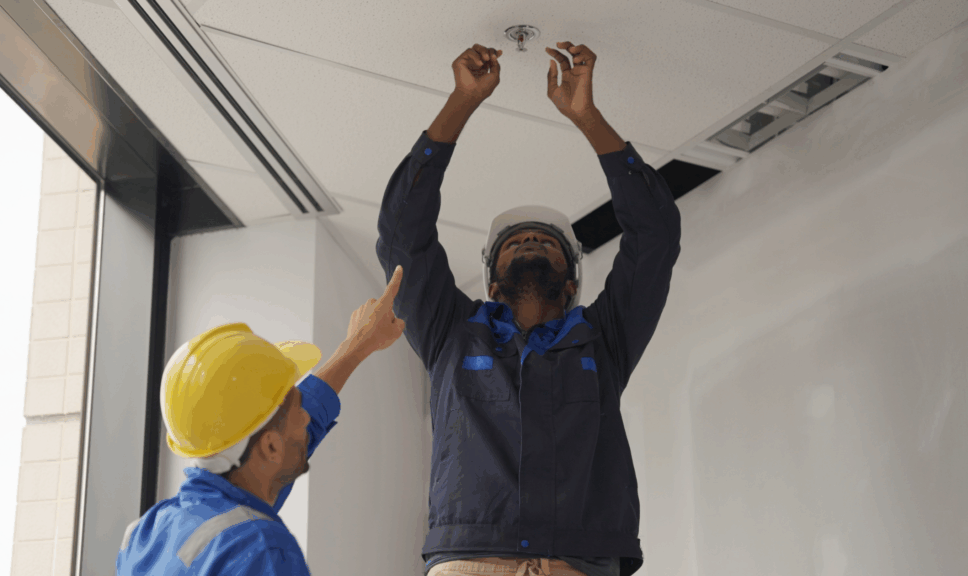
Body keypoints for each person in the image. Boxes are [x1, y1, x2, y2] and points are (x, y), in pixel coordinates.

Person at [376, 41, 682, 576]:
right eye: (516, 243)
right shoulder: (451, 333)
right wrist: (461, 103)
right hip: (473, 561)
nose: (531, 242)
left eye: (546, 242)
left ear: (571, 283)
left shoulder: (604, 340)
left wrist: (588, 119)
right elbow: (403, 237)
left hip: (578, 562)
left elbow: (655, 235)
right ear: (493, 283)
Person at [116, 266, 407, 575]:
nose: (307, 418)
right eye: (298, 414)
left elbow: (288, 427)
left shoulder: (146, 534)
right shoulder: (261, 550)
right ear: (270, 448)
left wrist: (356, 347)